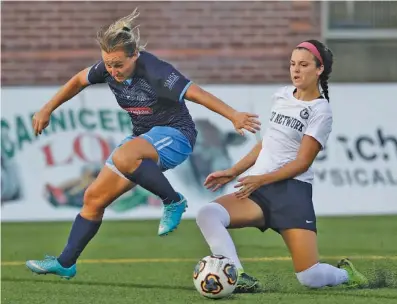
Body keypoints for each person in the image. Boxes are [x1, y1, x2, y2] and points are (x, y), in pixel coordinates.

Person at [25, 8, 260, 280]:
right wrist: (47, 108)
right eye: (108, 65)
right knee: (93, 198)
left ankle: (173, 201)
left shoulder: (157, 70)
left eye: (118, 65)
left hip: (177, 136)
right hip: (143, 140)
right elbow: (79, 80)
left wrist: (234, 115)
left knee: (126, 155)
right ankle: (66, 262)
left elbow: (196, 93)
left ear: (134, 55)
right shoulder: (108, 68)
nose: (112, 71)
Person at [196, 40, 369, 293]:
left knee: (310, 277)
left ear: (319, 69)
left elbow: (302, 163)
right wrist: (234, 171)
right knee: (208, 214)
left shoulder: (321, 110)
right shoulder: (282, 95)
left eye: (303, 65)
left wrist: (261, 179)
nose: (295, 70)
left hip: (291, 194)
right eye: (292, 64)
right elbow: (267, 143)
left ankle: (345, 275)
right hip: (260, 189)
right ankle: (237, 274)